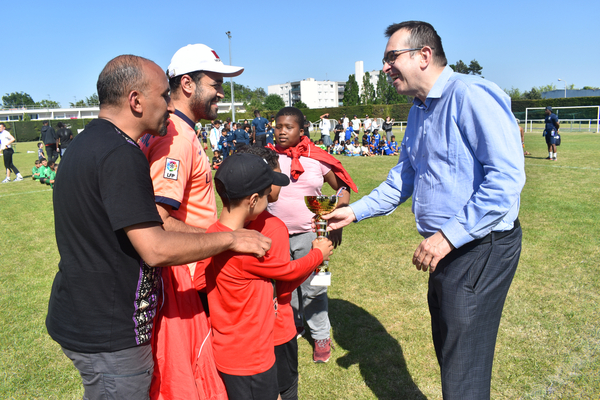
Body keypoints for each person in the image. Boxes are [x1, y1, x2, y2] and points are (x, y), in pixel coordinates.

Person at [46, 54, 270, 400]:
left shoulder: (88, 143)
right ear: (136, 101)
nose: (169, 104)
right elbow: (156, 246)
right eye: (164, 95)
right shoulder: (120, 154)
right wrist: (230, 239)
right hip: (109, 331)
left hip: (91, 318)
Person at [323, 21, 525, 400]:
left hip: (481, 246)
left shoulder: (470, 95)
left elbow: (506, 181)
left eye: (391, 58)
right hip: (449, 249)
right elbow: (404, 178)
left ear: (424, 56)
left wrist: (447, 237)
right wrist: (354, 212)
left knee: (464, 365)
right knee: (452, 354)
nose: (384, 68)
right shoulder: (417, 110)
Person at [139, 42, 246, 400]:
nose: (219, 91)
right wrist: (225, 238)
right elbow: (159, 218)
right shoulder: (175, 139)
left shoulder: (181, 132)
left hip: (189, 271)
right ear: (188, 85)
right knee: (191, 373)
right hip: (184, 278)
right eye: (214, 82)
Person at [205, 152, 333, 400]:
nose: (269, 199)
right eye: (266, 195)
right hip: (251, 357)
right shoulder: (245, 247)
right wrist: (319, 254)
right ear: (253, 200)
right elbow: (287, 273)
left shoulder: (212, 234)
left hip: (229, 349)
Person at [267, 106, 357, 363]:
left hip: (313, 233)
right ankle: (294, 327)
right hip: (277, 235)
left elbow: (343, 189)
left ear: (302, 130)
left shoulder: (317, 158)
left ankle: (321, 336)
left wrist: (333, 219)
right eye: (277, 126)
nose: (281, 132)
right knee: (283, 288)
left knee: (315, 288)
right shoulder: (268, 157)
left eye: (288, 127)